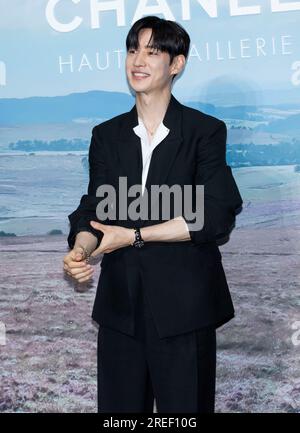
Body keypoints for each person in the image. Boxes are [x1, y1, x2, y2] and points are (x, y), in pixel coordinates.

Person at [63, 16, 243, 413]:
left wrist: (136, 235)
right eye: (132, 50)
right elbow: (95, 207)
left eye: (152, 51)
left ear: (176, 64)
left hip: (185, 308)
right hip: (120, 308)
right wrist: (82, 248)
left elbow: (216, 212)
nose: (138, 60)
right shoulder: (106, 135)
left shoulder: (204, 131)